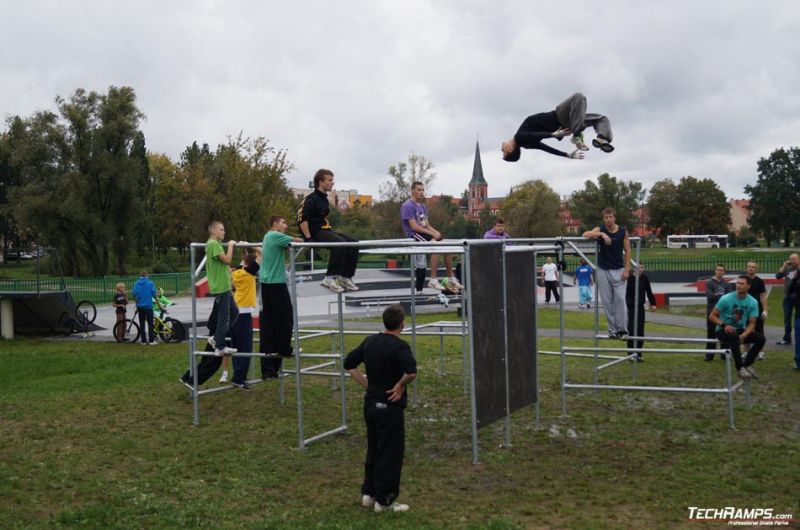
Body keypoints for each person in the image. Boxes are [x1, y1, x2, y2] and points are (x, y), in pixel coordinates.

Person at [344, 305, 417, 514]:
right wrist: (400, 385)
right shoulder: (400, 347)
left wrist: (367, 385)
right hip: (390, 406)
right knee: (391, 453)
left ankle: (369, 493)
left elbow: (349, 364)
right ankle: (385, 501)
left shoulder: (370, 341)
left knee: (374, 448)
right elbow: (411, 372)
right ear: (402, 325)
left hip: (371, 404)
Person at [501, 92, 613, 162]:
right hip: (559, 117)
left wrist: (566, 155)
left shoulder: (526, 144)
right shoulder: (519, 137)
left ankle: (603, 138)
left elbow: (545, 148)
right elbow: (533, 135)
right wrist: (552, 134)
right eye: (504, 152)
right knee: (578, 97)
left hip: (568, 124)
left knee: (601, 119)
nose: (502, 149)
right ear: (511, 149)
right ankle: (577, 134)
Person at [298, 169, 359, 294]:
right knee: (340, 243)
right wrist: (308, 238)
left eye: (332, 180)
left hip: (326, 230)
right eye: (330, 180)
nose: (333, 183)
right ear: (321, 182)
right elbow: (301, 219)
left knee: (354, 243)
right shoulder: (311, 199)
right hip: (316, 232)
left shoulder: (324, 199)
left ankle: (345, 277)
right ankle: (330, 277)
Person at [260, 215, 304, 379]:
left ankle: (270, 368)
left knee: (272, 322)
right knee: (285, 316)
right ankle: (285, 349)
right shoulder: (274, 235)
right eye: (283, 222)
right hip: (275, 283)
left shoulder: (268, 236)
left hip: (268, 283)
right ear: (275, 224)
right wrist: (305, 238)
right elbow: (298, 240)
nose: (285, 225)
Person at [401, 181, 464, 293]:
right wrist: (432, 235)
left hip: (424, 232)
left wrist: (436, 232)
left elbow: (427, 225)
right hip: (414, 234)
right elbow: (414, 226)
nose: (421, 192)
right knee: (436, 244)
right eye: (418, 190)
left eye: (422, 190)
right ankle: (433, 280)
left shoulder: (423, 206)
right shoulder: (408, 205)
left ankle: (451, 278)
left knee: (446, 245)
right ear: (412, 191)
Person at [582, 208, 631, 339]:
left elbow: (627, 251)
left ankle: (622, 330)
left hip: (619, 270)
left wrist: (627, 270)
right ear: (604, 219)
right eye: (606, 217)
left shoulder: (622, 232)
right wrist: (601, 235)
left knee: (620, 300)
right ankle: (612, 330)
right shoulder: (601, 229)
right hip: (603, 270)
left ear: (614, 218)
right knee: (606, 301)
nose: (608, 219)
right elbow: (585, 234)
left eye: (610, 217)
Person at [708, 275, 765, 380]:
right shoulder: (726, 298)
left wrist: (744, 335)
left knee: (761, 339)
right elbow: (712, 316)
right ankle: (740, 368)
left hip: (739, 330)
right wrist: (724, 325)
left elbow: (752, 323)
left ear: (748, 286)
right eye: (737, 283)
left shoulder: (753, 302)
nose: (738, 286)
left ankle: (747, 365)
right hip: (722, 330)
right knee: (734, 336)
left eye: (742, 284)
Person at [227, 249, 262, 389]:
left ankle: (237, 375)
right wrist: (250, 245)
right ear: (251, 264)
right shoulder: (249, 273)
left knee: (236, 346)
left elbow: (243, 263)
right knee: (246, 347)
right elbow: (262, 254)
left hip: (234, 312)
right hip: (243, 313)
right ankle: (239, 378)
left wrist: (244, 252)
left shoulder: (237, 273)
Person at [206, 221, 238, 356]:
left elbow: (224, 266)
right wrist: (231, 246)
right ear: (213, 231)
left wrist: (230, 279)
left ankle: (215, 338)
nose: (224, 232)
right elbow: (227, 260)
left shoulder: (216, 244)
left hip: (224, 285)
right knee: (224, 317)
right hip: (220, 286)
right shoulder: (213, 244)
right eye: (221, 229)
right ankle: (219, 346)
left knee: (234, 312)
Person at [625, 264, 657, 360]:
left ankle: (638, 353)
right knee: (631, 330)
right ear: (634, 268)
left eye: (642, 267)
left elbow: (649, 291)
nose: (640, 269)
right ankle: (631, 353)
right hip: (630, 307)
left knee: (640, 330)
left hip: (640, 307)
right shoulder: (629, 278)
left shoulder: (644, 278)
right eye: (638, 267)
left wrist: (653, 303)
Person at [704, 264, 734, 361]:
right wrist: (723, 296)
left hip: (724, 313)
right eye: (718, 270)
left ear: (724, 272)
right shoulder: (709, 283)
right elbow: (710, 296)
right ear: (715, 271)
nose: (720, 272)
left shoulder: (727, 284)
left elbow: (730, 297)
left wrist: (718, 296)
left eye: (722, 270)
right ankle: (709, 355)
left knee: (724, 332)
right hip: (712, 312)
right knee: (711, 333)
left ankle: (724, 354)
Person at [745, 261, 768, 360]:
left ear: (756, 269)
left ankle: (761, 352)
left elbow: (763, 296)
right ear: (746, 268)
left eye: (753, 267)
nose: (751, 268)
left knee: (759, 331)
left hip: (757, 309)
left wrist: (765, 310)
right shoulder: (743, 280)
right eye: (749, 267)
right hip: (744, 309)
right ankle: (746, 352)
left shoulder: (759, 281)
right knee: (745, 330)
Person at [132, 271, 162, 345]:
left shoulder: (136, 283)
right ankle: (151, 340)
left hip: (140, 307)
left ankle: (143, 341)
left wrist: (137, 305)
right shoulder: (150, 283)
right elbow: (154, 295)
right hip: (148, 306)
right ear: (147, 275)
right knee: (150, 323)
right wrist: (160, 306)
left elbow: (135, 295)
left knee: (142, 324)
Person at [775, 253, 799, 345]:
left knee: (798, 319)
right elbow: (777, 276)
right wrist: (783, 267)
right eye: (791, 259)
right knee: (787, 319)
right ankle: (787, 338)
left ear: (798, 260)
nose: (792, 261)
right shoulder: (787, 269)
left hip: (798, 298)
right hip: (787, 297)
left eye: (794, 259)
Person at [789, 274, 800, 370]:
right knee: (798, 340)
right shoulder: (797, 279)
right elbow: (790, 290)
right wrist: (795, 278)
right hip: (799, 315)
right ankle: (798, 361)